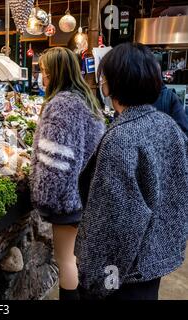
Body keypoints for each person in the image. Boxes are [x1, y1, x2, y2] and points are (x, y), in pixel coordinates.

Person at [76, 42, 188, 300]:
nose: (101, 82)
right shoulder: (168, 126)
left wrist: (100, 281)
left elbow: (116, 225)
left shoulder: (122, 138)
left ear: (114, 83)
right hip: (154, 260)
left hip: (124, 273)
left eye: (104, 76)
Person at [30, 47, 105, 300]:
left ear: (55, 74)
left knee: (66, 261)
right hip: (87, 195)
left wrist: (43, 199)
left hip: (69, 200)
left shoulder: (61, 105)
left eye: (44, 72)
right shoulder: (86, 100)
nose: (42, 78)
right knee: (76, 260)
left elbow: (55, 161)